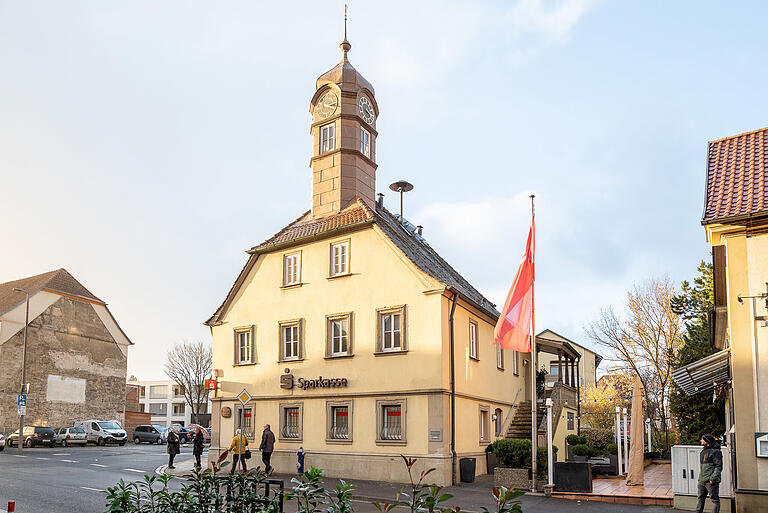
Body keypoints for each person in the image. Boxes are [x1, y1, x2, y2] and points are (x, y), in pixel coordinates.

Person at [696, 434, 722, 513]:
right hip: (702, 481)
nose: (701, 441)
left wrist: (712, 479)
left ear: (707, 441)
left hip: (711, 481)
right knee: (700, 499)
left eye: (702, 439)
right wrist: (700, 479)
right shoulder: (703, 452)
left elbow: (719, 467)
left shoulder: (716, 452)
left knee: (715, 501)